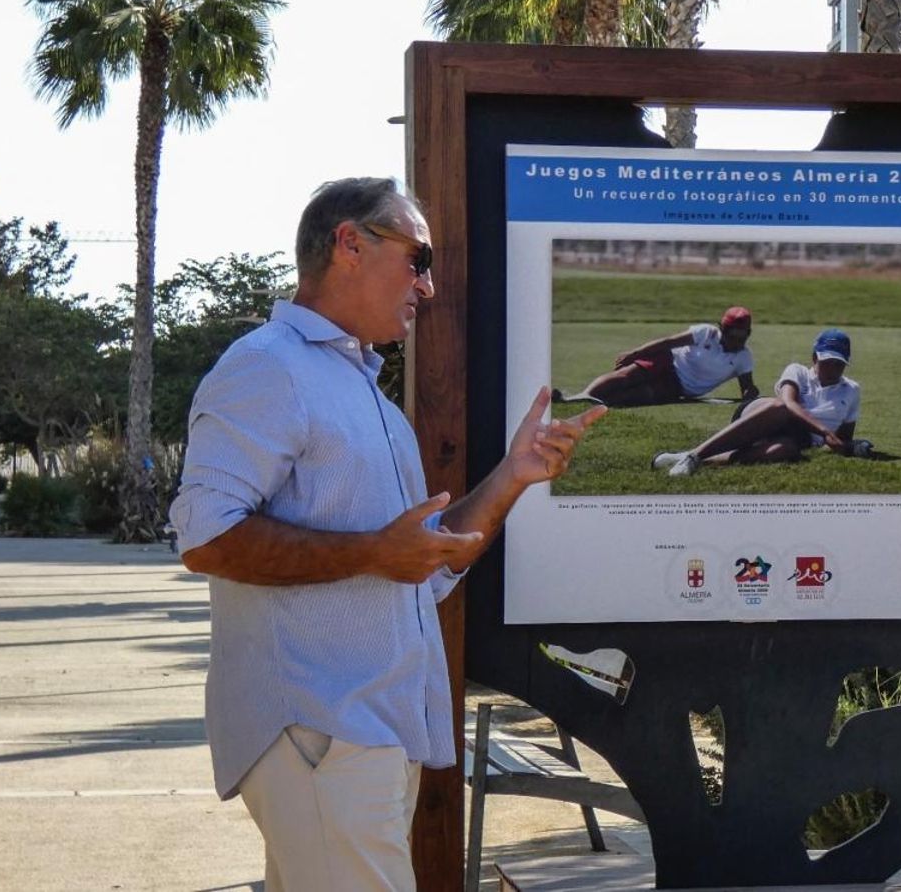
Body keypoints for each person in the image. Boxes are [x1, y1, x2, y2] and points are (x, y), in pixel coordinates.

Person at [168, 177, 606, 892]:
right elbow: (206, 539)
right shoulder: (267, 366)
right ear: (349, 244)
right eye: (418, 258)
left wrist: (513, 475)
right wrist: (376, 553)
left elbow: (421, 564)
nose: (427, 285)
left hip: (363, 739)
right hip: (321, 734)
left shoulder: (355, 387)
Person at [652, 328, 861, 477]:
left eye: (839, 364)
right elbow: (788, 403)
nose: (833, 369)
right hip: (764, 417)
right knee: (780, 407)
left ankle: (696, 460)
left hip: (798, 438)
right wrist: (824, 431)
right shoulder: (797, 371)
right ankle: (695, 455)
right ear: (815, 358)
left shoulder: (852, 390)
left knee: (786, 450)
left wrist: (845, 446)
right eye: (827, 362)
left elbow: (843, 438)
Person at [555, 306, 759, 407]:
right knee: (626, 377)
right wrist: (635, 354)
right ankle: (580, 397)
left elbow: (747, 387)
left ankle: (597, 405)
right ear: (723, 329)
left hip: (679, 387)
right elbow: (667, 343)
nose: (738, 339)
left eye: (743, 334)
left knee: (641, 395)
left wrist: (750, 393)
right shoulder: (706, 332)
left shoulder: (744, 357)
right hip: (667, 360)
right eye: (734, 333)